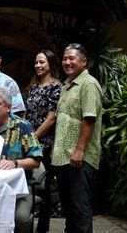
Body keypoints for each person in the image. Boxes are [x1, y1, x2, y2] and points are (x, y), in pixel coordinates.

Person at [0, 88, 42, 233]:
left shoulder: (23, 127)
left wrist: (15, 164)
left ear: (8, 107)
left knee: (20, 217)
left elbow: (36, 161)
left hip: (18, 188)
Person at [52, 43, 103, 233]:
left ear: (84, 61)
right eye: (65, 58)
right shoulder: (66, 86)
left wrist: (80, 149)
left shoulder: (88, 84)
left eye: (72, 58)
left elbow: (89, 118)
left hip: (79, 158)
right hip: (64, 157)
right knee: (70, 210)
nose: (67, 62)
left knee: (80, 209)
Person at [24, 50, 62, 233]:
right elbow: (27, 114)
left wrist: (32, 138)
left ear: (50, 64)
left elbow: (51, 119)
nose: (38, 65)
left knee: (44, 185)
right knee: (28, 184)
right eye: (36, 62)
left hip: (44, 143)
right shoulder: (33, 87)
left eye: (42, 62)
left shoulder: (56, 87)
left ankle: (43, 227)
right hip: (29, 141)